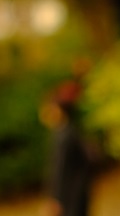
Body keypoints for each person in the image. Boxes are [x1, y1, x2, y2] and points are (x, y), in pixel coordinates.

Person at [44, 80, 94, 216]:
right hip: (78, 192)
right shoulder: (70, 132)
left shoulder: (65, 136)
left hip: (71, 195)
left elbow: (61, 169)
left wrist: (57, 198)